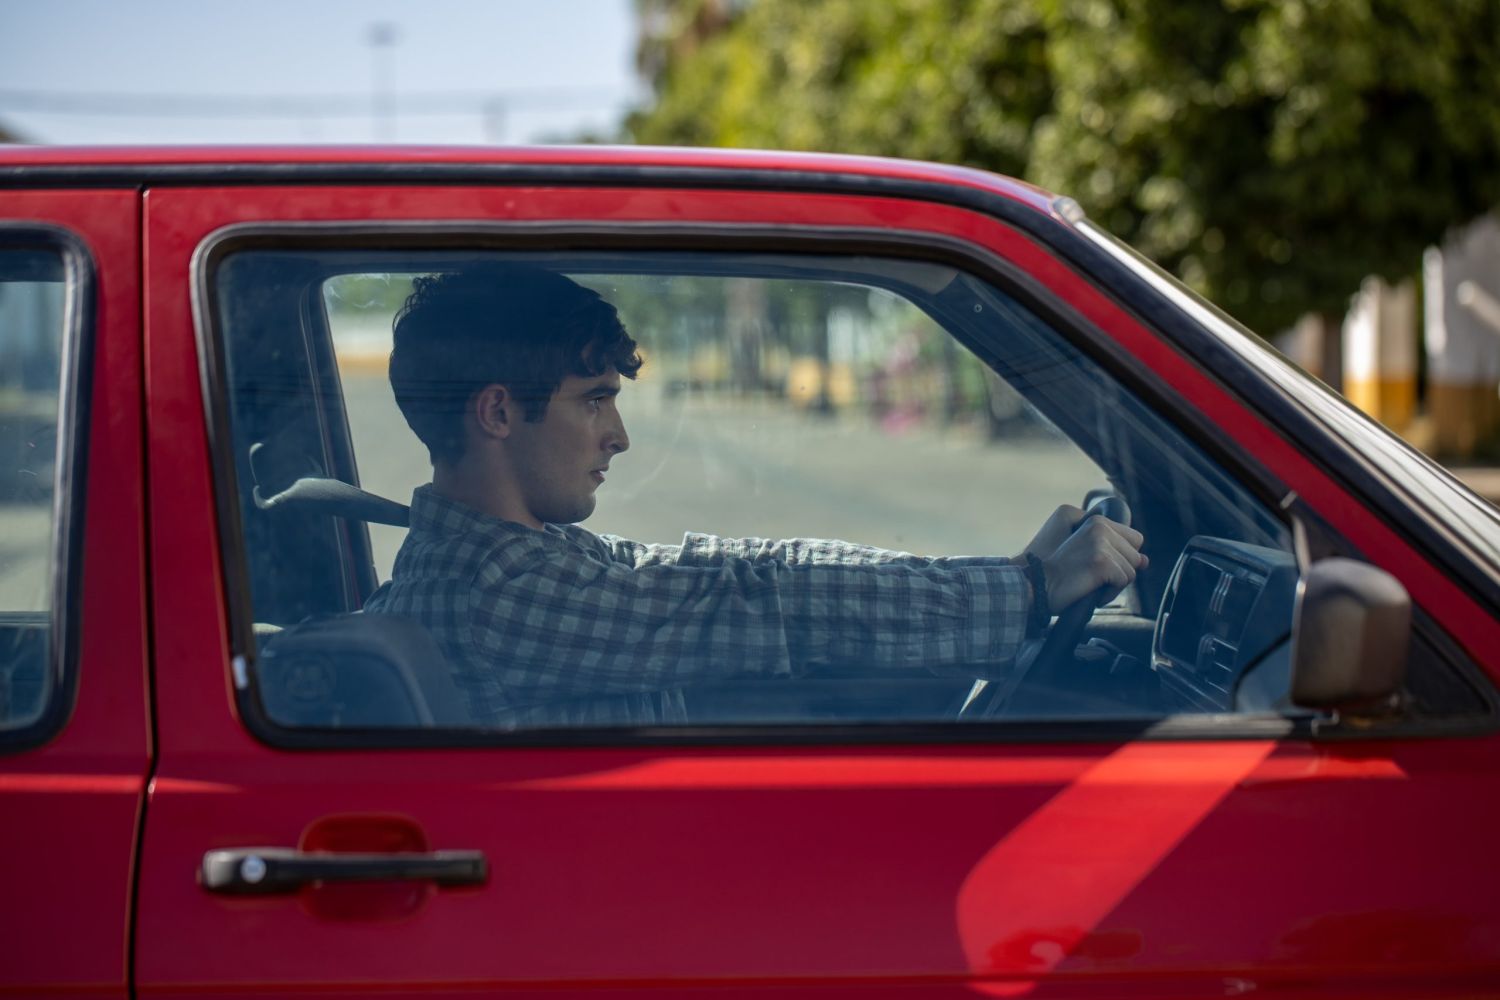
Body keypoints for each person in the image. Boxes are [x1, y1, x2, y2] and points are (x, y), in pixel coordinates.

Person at [364, 264, 1147, 728]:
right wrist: (1027, 589)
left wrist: (1009, 578)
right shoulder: (502, 592)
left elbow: (739, 567)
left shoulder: (519, 557)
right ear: (498, 413)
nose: (619, 436)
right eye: (594, 401)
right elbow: (769, 607)